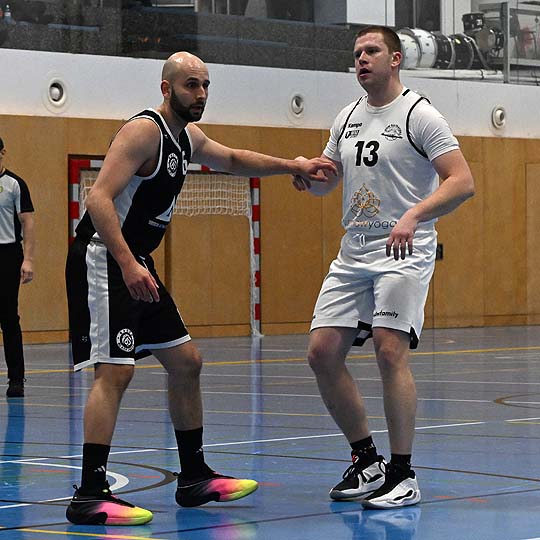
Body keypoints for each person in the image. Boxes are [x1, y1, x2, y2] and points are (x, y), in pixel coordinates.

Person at [65, 51, 336, 526]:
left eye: (206, 85)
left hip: (135, 261)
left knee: (187, 362)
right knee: (115, 372)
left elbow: (231, 158)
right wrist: (126, 263)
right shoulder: (144, 131)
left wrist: (292, 164)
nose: (201, 94)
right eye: (191, 84)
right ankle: (89, 494)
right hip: (105, 257)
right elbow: (98, 198)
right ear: (166, 88)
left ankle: (193, 477)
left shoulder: (186, 138)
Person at [293, 26, 474, 509]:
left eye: (371, 51)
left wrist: (414, 215)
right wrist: (309, 178)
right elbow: (329, 180)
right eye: (356, 53)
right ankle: (366, 460)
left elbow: (462, 181)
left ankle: (403, 473)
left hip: (402, 251)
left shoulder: (420, 114)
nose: (361, 59)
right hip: (354, 251)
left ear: (395, 59)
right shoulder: (347, 117)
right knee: (322, 353)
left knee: (389, 350)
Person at [0, 137, 35, 398]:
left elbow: (28, 222)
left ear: (2, 153)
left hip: (7, 253)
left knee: (8, 316)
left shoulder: (14, 184)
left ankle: (16, 379)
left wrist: (28, 259)